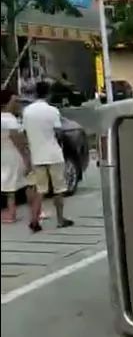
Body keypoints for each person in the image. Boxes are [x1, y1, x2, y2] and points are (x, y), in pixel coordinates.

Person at [22, 80, 74, 233]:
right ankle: (60, 219)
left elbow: (24, 132)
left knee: (40, 190)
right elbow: (58, 132)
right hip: (53, 154)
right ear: (49, 93)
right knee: (58, 189)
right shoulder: (52, 111)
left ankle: (34, 220)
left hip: (37, 155)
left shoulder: (27, 111)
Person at [1, 87, 31, 224]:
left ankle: (11, 212)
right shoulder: (10, 120)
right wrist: (26, 155)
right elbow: (18, 139)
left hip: (4, 153)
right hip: (13, 154)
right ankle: (13, 213)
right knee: (15, 184)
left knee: (10, 184)